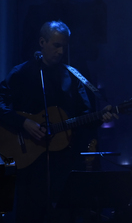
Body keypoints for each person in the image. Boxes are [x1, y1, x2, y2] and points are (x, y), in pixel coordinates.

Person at [0, 20, 115, 221]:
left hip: (63, 165)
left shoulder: (72, 76)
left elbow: (84, 116)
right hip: (30, 165)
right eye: (56, 45)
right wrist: (23, 123)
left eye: (64, 46)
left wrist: (100, 117)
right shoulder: (21, 73)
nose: (61, 51)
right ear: (42, 42)